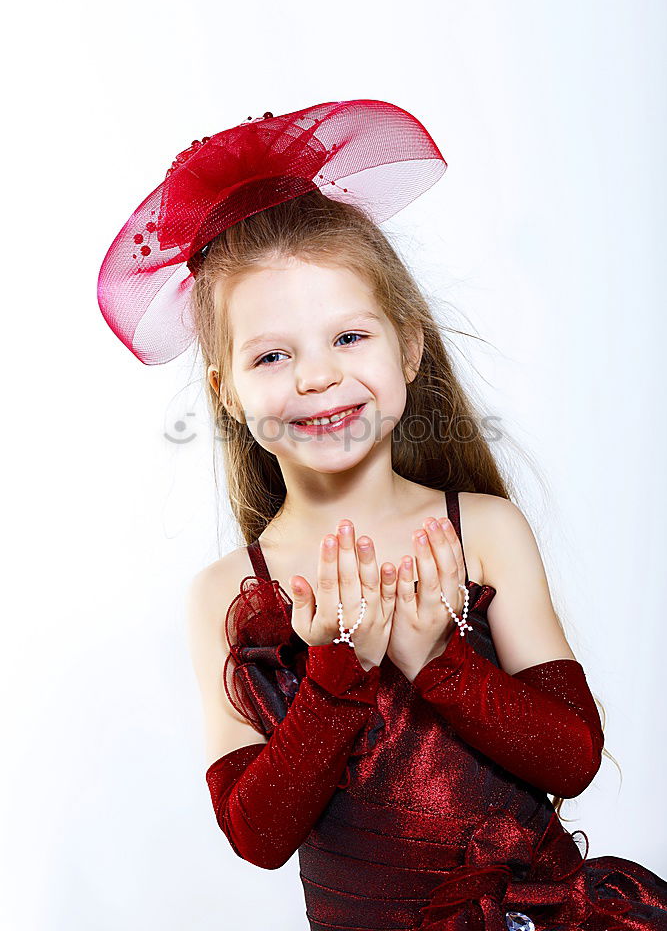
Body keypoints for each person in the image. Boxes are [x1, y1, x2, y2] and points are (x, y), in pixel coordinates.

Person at [98, 102, 667, 930]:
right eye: (271, 355)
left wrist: (438, 658)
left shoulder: (484, 532)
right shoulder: (226, 593)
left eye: (349, 338)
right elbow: (257, 835)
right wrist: (337, 667)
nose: (318, 377)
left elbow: (573, 759)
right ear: (225, 387)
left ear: (407, 347)